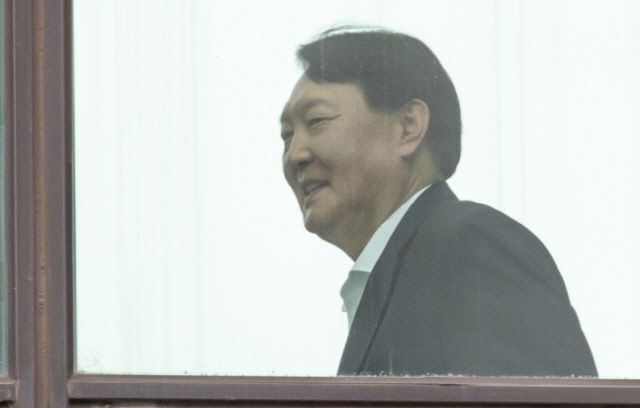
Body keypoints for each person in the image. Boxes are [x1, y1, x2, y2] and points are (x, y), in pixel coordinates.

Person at [279, 26, 597, 377]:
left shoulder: (467, 243)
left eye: (316, 121)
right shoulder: (400, 273)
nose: (294, 155)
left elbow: (535, 398)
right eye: (286, 136)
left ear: (408, 127)